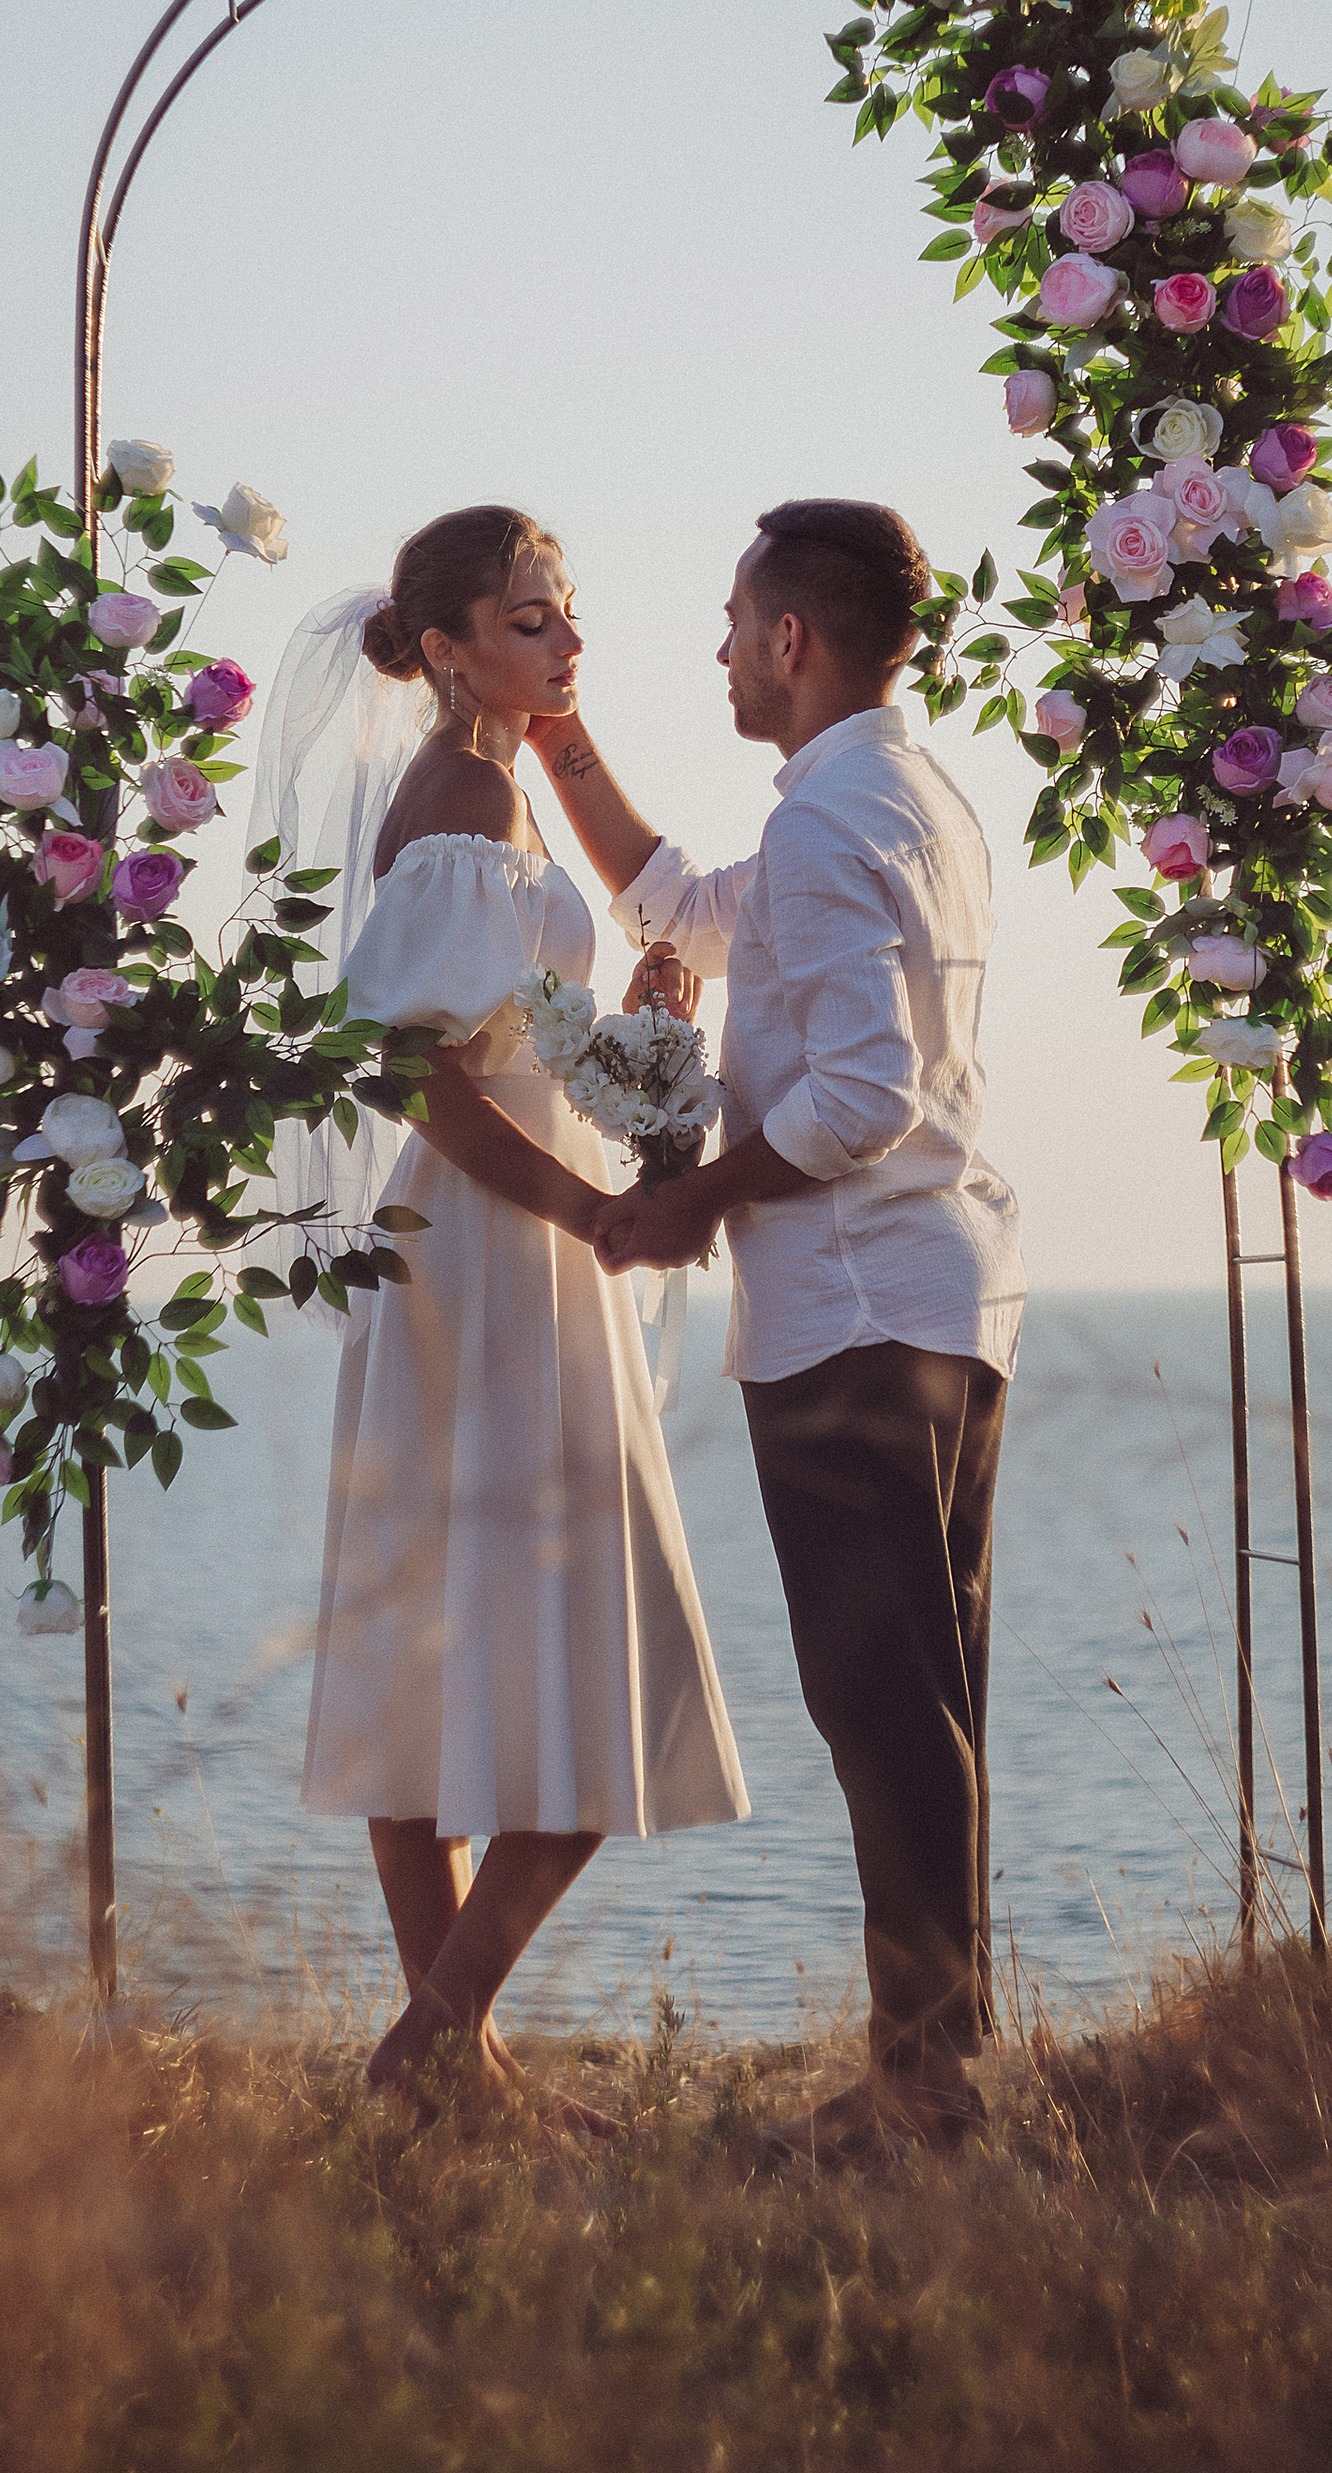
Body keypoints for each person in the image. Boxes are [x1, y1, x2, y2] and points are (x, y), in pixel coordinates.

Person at [533, 499, 1023, 2161]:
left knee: (881, 1699)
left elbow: (864, 1095)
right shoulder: (909, 795)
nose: (725, 651)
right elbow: (680, 905)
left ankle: (923, 2085)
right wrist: (565, 735)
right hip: (945, 1292)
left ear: (792, 640)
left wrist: (700, 1200)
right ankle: (937, 2060)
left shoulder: (827, 826)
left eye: (738, 625)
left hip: (856, 1310)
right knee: (926, 1691)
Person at [267, 506, 748, 2122]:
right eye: (531, 620)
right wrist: (581, 1209)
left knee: (437, 1662)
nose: (568, 643)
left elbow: (510, 1050)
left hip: (488, 1241)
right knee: (590, 1658)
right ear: (449, 649)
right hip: (496, 1256)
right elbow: (411, 1069)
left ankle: (455, 2067)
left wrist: (639, 1029)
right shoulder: (467, 798)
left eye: (568, 613)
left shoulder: (497, 792)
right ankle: (430, 2054)